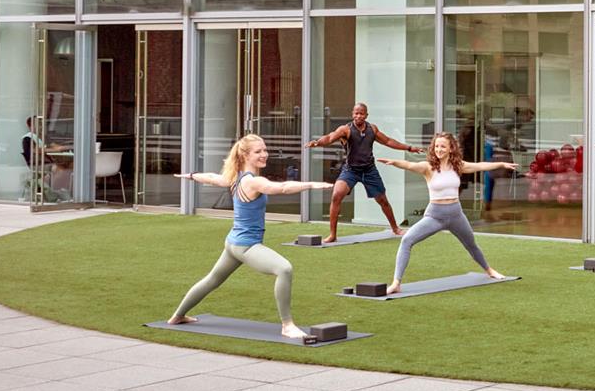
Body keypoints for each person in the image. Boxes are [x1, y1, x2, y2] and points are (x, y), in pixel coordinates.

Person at [168, 134, 333, 339]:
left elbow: (211, 177)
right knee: (284, 269)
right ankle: (287, 325)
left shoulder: (235, 177)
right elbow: (280, 188)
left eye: (265, 150)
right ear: (245, 155)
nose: (264, 154)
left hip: (233, 244)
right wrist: (312, 185)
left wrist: (192, 175)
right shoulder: (252, 182)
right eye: (258, 151)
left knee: (212, 279)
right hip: (245, 246)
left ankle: (177, 316)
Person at [380, 132, 515, 294]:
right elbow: (409, 165)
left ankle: (489, 270)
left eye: (443, 146)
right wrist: (394, 162)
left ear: (451, 148)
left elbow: (480, 166)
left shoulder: (458, 165)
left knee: (471, 245)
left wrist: (501, 164)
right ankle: (396, 283)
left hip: (456, 215)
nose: (439, 149)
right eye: (436, 146)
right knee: (407, 240)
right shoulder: (428, 167)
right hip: (435, 216)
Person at [305, 102, 422, 243]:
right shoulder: (345, 130)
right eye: (356, 113)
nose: (358, 116)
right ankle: (332, 235)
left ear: (366, 115)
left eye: (361, 113)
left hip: (369, 170)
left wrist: (409, 148)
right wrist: (317, 142)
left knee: (382, 200)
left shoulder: (372, 129)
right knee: (336, 195)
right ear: (352, 114)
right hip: (350, 170)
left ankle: (395, 228)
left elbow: (388, 141)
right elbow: (330, 137)